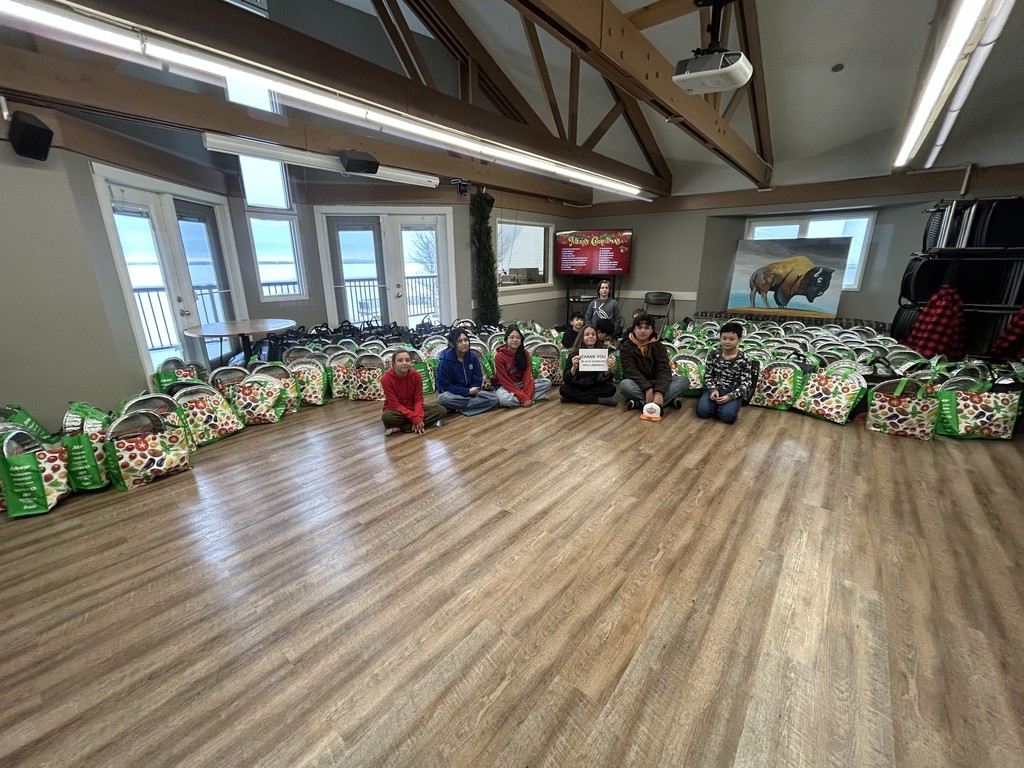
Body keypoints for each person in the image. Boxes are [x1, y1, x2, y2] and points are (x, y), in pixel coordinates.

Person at [618, 313, 688, 412]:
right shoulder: (626, 347)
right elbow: (630, 371)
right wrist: (647, 389)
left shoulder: (659, 347)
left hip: (657, 381)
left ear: (651, 330)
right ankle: (662, 402)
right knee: (624, 385)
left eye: (647, 328)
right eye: (639, 327)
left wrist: (659, 392)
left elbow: (663, 371)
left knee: (684, 380)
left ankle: (642, 403)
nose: (643, 331)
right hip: (637, 383)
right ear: (634, 329)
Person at [696, 322, 755, 425]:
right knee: (702, 412)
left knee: (728, 417)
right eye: (724, 338)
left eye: (732, 339)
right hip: (715, 388)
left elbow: (746, 383)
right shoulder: (713, 354)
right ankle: (716, 405)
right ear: (720, 338)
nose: (727, 342)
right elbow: (708, 375)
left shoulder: (745, 359)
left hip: (733, 391)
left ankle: (725, 406)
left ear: (739, 340)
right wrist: (713, 389)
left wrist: (730, 397)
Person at [435, 328, 500, 416]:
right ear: (452, 344)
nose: (464, 343)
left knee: (494, 398)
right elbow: (445, 386)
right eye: (459, 341)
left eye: (466, 340)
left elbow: (478, 379)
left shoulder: (473, 357)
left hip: (473, 392)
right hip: (454, 394)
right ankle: (472, 406)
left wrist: (473, 389)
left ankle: (457, 408)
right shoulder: (445, 361)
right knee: (443, 399)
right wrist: (467, 392)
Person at [382, 349, 447, 435]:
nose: (404, 363)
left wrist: (418, 417)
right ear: (393, 364)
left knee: (441, 411)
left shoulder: (416, 376)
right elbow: (395, 405)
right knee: (387, 418)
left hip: (413, 407)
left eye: (407, 360)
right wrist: (414, 418)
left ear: (411, 362)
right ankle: (419, 424)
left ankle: (402, 428)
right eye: (400, 360)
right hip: (396, 410)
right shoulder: (386, 379)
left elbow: (418, 400)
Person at [494, 324, 552, 408]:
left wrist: (526, 396)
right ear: (506, 339)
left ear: (521, 340)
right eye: (512, 337)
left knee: (547, 382)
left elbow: (527, 376)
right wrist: (523, 397)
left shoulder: (525, 353)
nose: (515, 340)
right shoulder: (499, 356)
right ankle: (532, 398)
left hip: (521, 384)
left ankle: (526, 399)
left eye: (518, 337)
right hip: (505, 386)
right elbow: (505, 381)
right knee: (505, 400)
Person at [560, 324, 617, 406]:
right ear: (581, 337)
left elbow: (604, 380)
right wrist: (574, 367)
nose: (591, 336)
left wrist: (608, 369)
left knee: (611, 389)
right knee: (564, 389)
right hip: (578, 385)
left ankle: (573, 397)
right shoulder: (574, 354)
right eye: (587, 334)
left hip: (594, 385)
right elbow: (566, 379)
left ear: (596, 337)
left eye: (593, 334)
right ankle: (597, 400)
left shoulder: (602, 353)